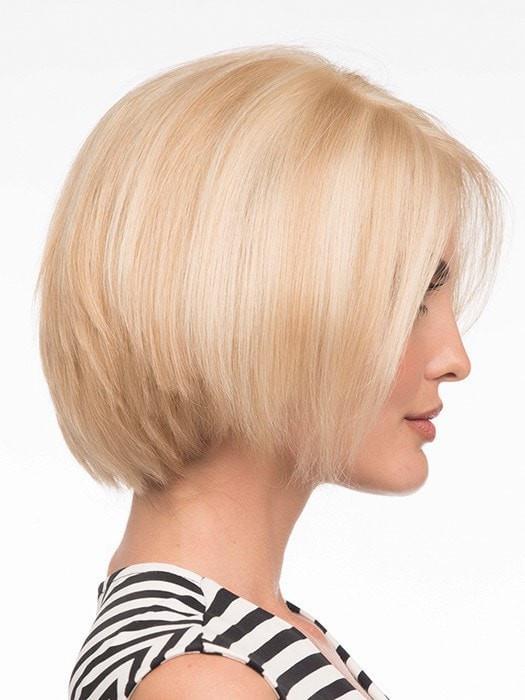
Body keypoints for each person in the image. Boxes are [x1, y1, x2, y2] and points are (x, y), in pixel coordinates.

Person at [35, 44, 505, 699]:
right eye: (407, 299)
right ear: (256, 307)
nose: (454, 359)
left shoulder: (252, 639)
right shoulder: (204, 677)